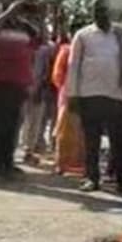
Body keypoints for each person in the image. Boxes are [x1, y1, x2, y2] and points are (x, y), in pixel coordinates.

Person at [66, 0, 122, 193]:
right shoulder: (82, 35)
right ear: (92, 13)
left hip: (115, 94)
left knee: (119, 141)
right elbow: (73, 67)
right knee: (91, 140)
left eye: (104, 9)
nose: (101, 13)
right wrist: (73, 94)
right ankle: (91, 178)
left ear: (111, 11)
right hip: (89, 94)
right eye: (97, 10)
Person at [0, 0, 40, 183]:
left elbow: (41, 41)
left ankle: (6, 164)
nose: (15, 1)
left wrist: (39, 16)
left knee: (13, 126)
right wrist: (8, 14)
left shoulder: (24, 25)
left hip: (19, 81)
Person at [21, 21, 59, 167]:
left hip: (37, 89)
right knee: (25, 121)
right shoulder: (25, 48)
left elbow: (48, 69)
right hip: (23, 87)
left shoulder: (45, 49)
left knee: (34, 122)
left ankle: (29, 151)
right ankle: (24, 150)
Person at [52, 21, 85, 176]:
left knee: (81, 131)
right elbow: (57, 75)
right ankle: (61, 164)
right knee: (64, 130)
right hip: (67, 95)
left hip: (85, 94)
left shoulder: (87, 52)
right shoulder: (66, 50)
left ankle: (78, 163)